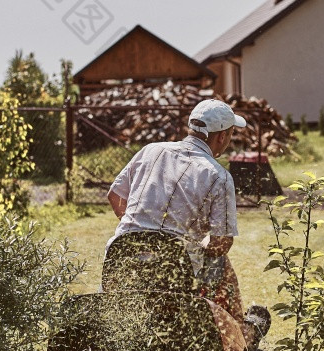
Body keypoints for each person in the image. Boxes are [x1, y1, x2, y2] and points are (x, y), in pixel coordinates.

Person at [106, 99, 247, 321]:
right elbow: (221, 244)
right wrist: (198, 244)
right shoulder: (219, 176)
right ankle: (241, 332)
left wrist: (141, 231)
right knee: (221, 264)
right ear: (222, 137)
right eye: (230, 135)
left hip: (120, 259)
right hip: (175, 274)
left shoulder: (150, 150)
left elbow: (115, 196)